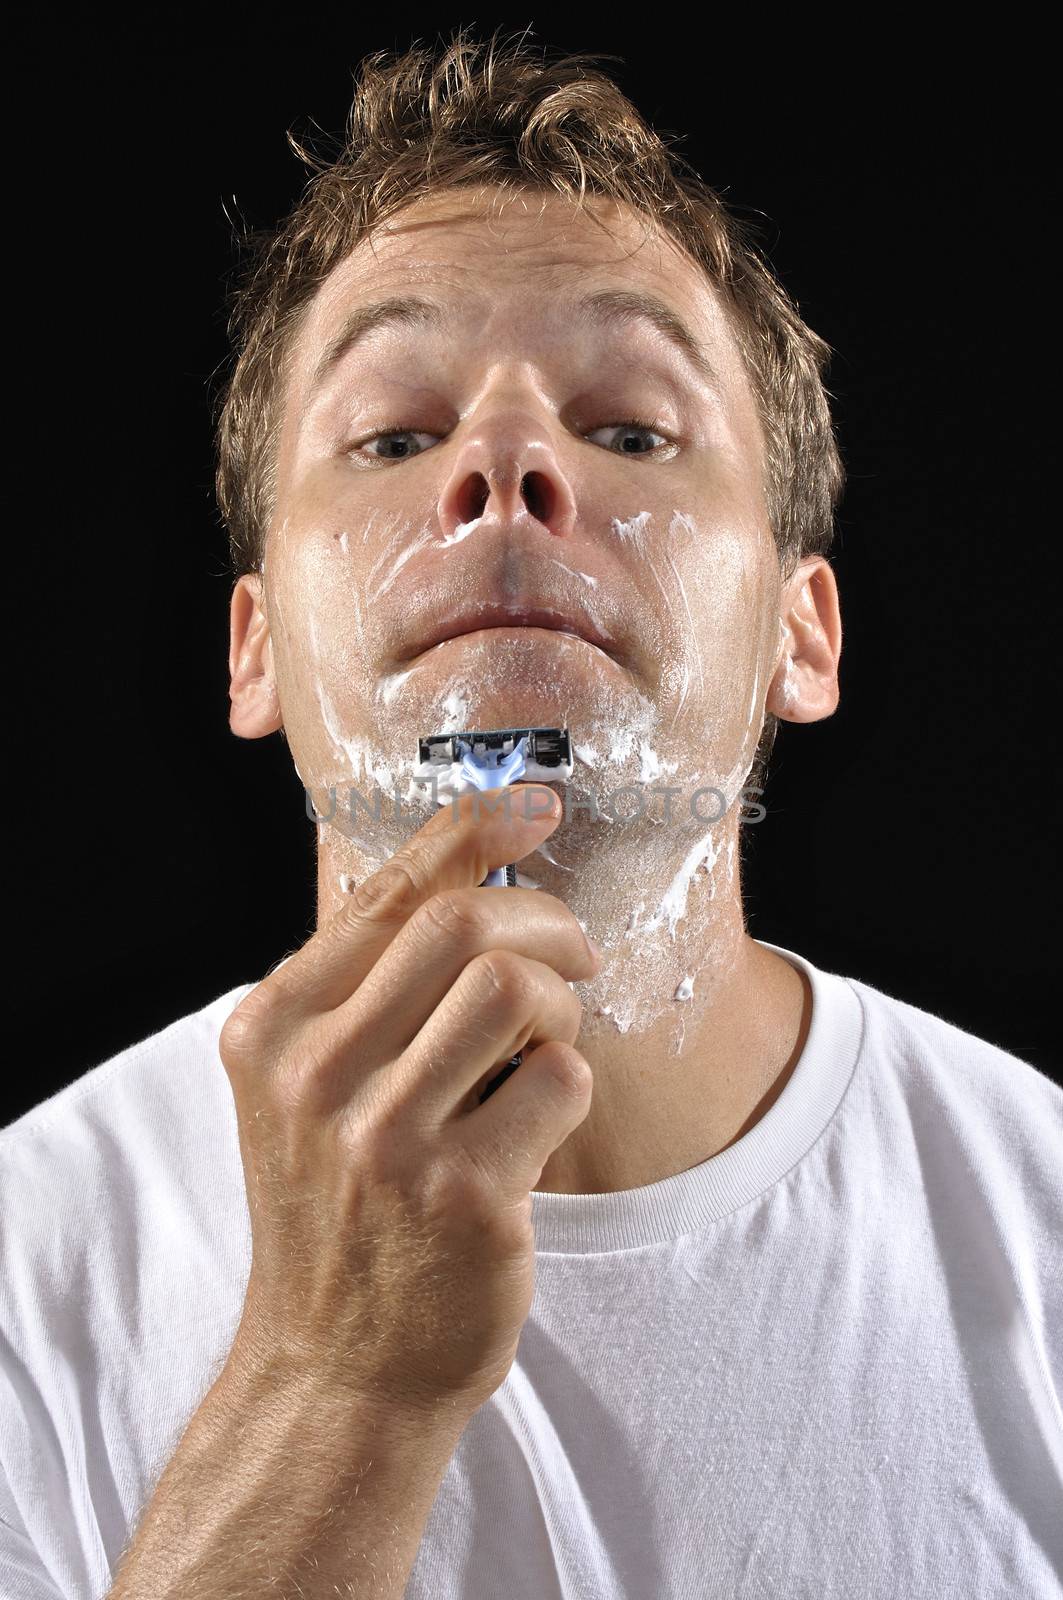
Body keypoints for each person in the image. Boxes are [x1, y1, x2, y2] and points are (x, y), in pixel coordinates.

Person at [2, 27, 1060, 1600]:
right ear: (254, 650)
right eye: (395, 434)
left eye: (630, 430)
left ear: (800, 632)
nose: (505, 459)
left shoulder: (1043, 1232)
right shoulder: (29, 1270)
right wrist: (329, 1385)